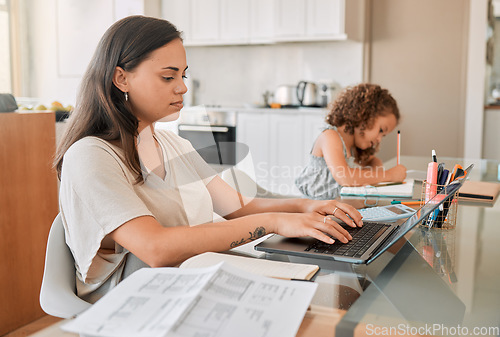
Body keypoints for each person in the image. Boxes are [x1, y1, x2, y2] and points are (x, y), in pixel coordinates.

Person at [54, 15, 363, 303]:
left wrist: (304, 206)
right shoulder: (90, 155)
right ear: (121, 78)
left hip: (188, 278)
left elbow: (240, 207)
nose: (183, 87)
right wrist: (274, 221)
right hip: (136, 300)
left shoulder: (172, 143)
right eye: (168, 76)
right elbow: (156, 248)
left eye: (183, 75)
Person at [295, 83, 407, 200]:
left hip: (333, 212)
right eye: (380, 130)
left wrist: (376, 167)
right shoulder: (330, 137)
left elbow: (373, 160)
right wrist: (389, 175)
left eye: (383, 136)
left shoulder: (353, 147)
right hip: (312, 212)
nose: (379, 139)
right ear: (364, 115)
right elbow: (345, 177)